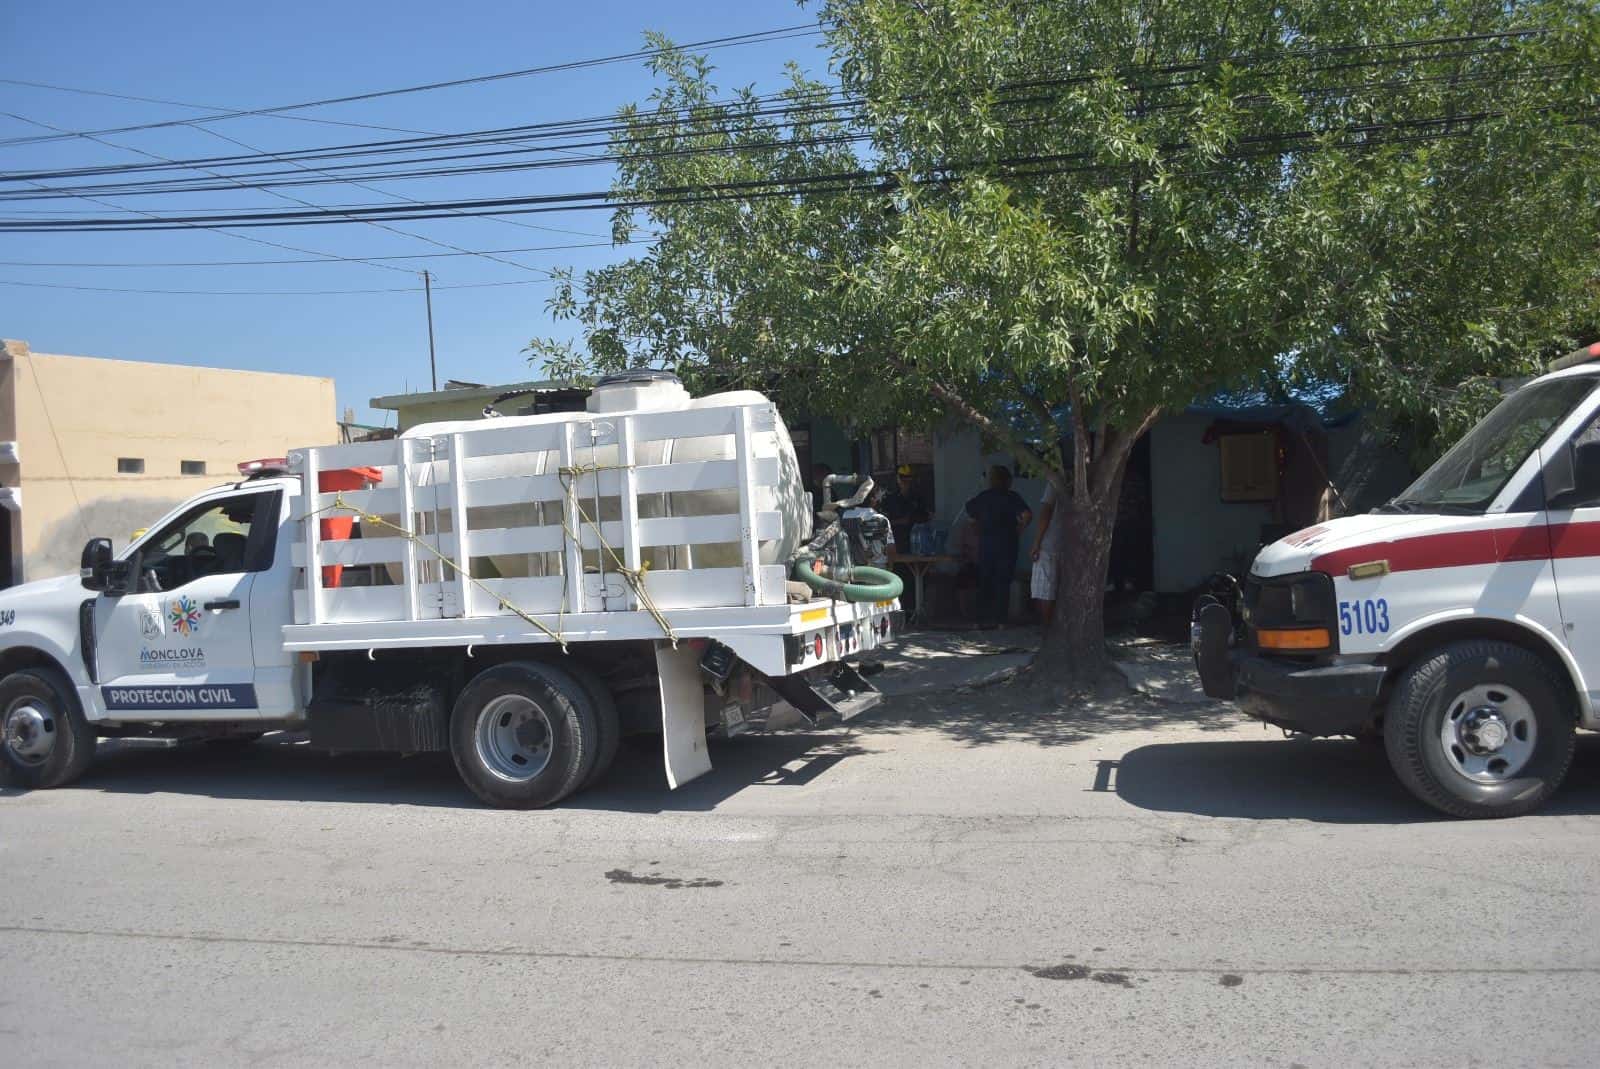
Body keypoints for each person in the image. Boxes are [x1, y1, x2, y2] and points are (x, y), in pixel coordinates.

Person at [964, 465, 1031, 629]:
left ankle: (979, 621)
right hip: (1007, 544)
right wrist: (1019, 530)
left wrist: (977, 532)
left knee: (984, 580)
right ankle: (1001, 621)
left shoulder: (983, 497)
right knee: (1003, 582)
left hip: (987, 544)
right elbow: (1027, 515)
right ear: (1007, 480)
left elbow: (970, 516)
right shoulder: (1012, 497)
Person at [1030, 481, 1068, 625]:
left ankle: (1048, 628)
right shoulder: (1086, 480)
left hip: (1051, 542)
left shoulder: (1055, 483)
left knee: (1045, 590)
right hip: (1072, 544)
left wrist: (1037, 542)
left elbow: (1046, 512)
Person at [879, 465, 931, 551]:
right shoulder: (890, 498)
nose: (907, 483)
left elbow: (925, 517)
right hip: (897, 540)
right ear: (898, 480)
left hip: (917, 541)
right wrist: (900, 521)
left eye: (909, 480)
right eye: (904, 480)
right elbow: (883, 522)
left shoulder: (917, 497)